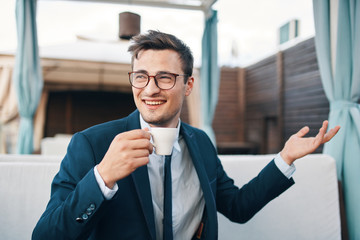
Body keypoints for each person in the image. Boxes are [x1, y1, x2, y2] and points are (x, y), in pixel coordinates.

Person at [32, 30, 340, 240]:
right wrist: (102, 177)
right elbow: (46, 235)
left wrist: (285, 158)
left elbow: (238, 207)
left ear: (188, 85)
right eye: (141, 77)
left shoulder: (201, 142)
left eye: (165, 77)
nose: (150, 89)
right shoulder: (92, 144)